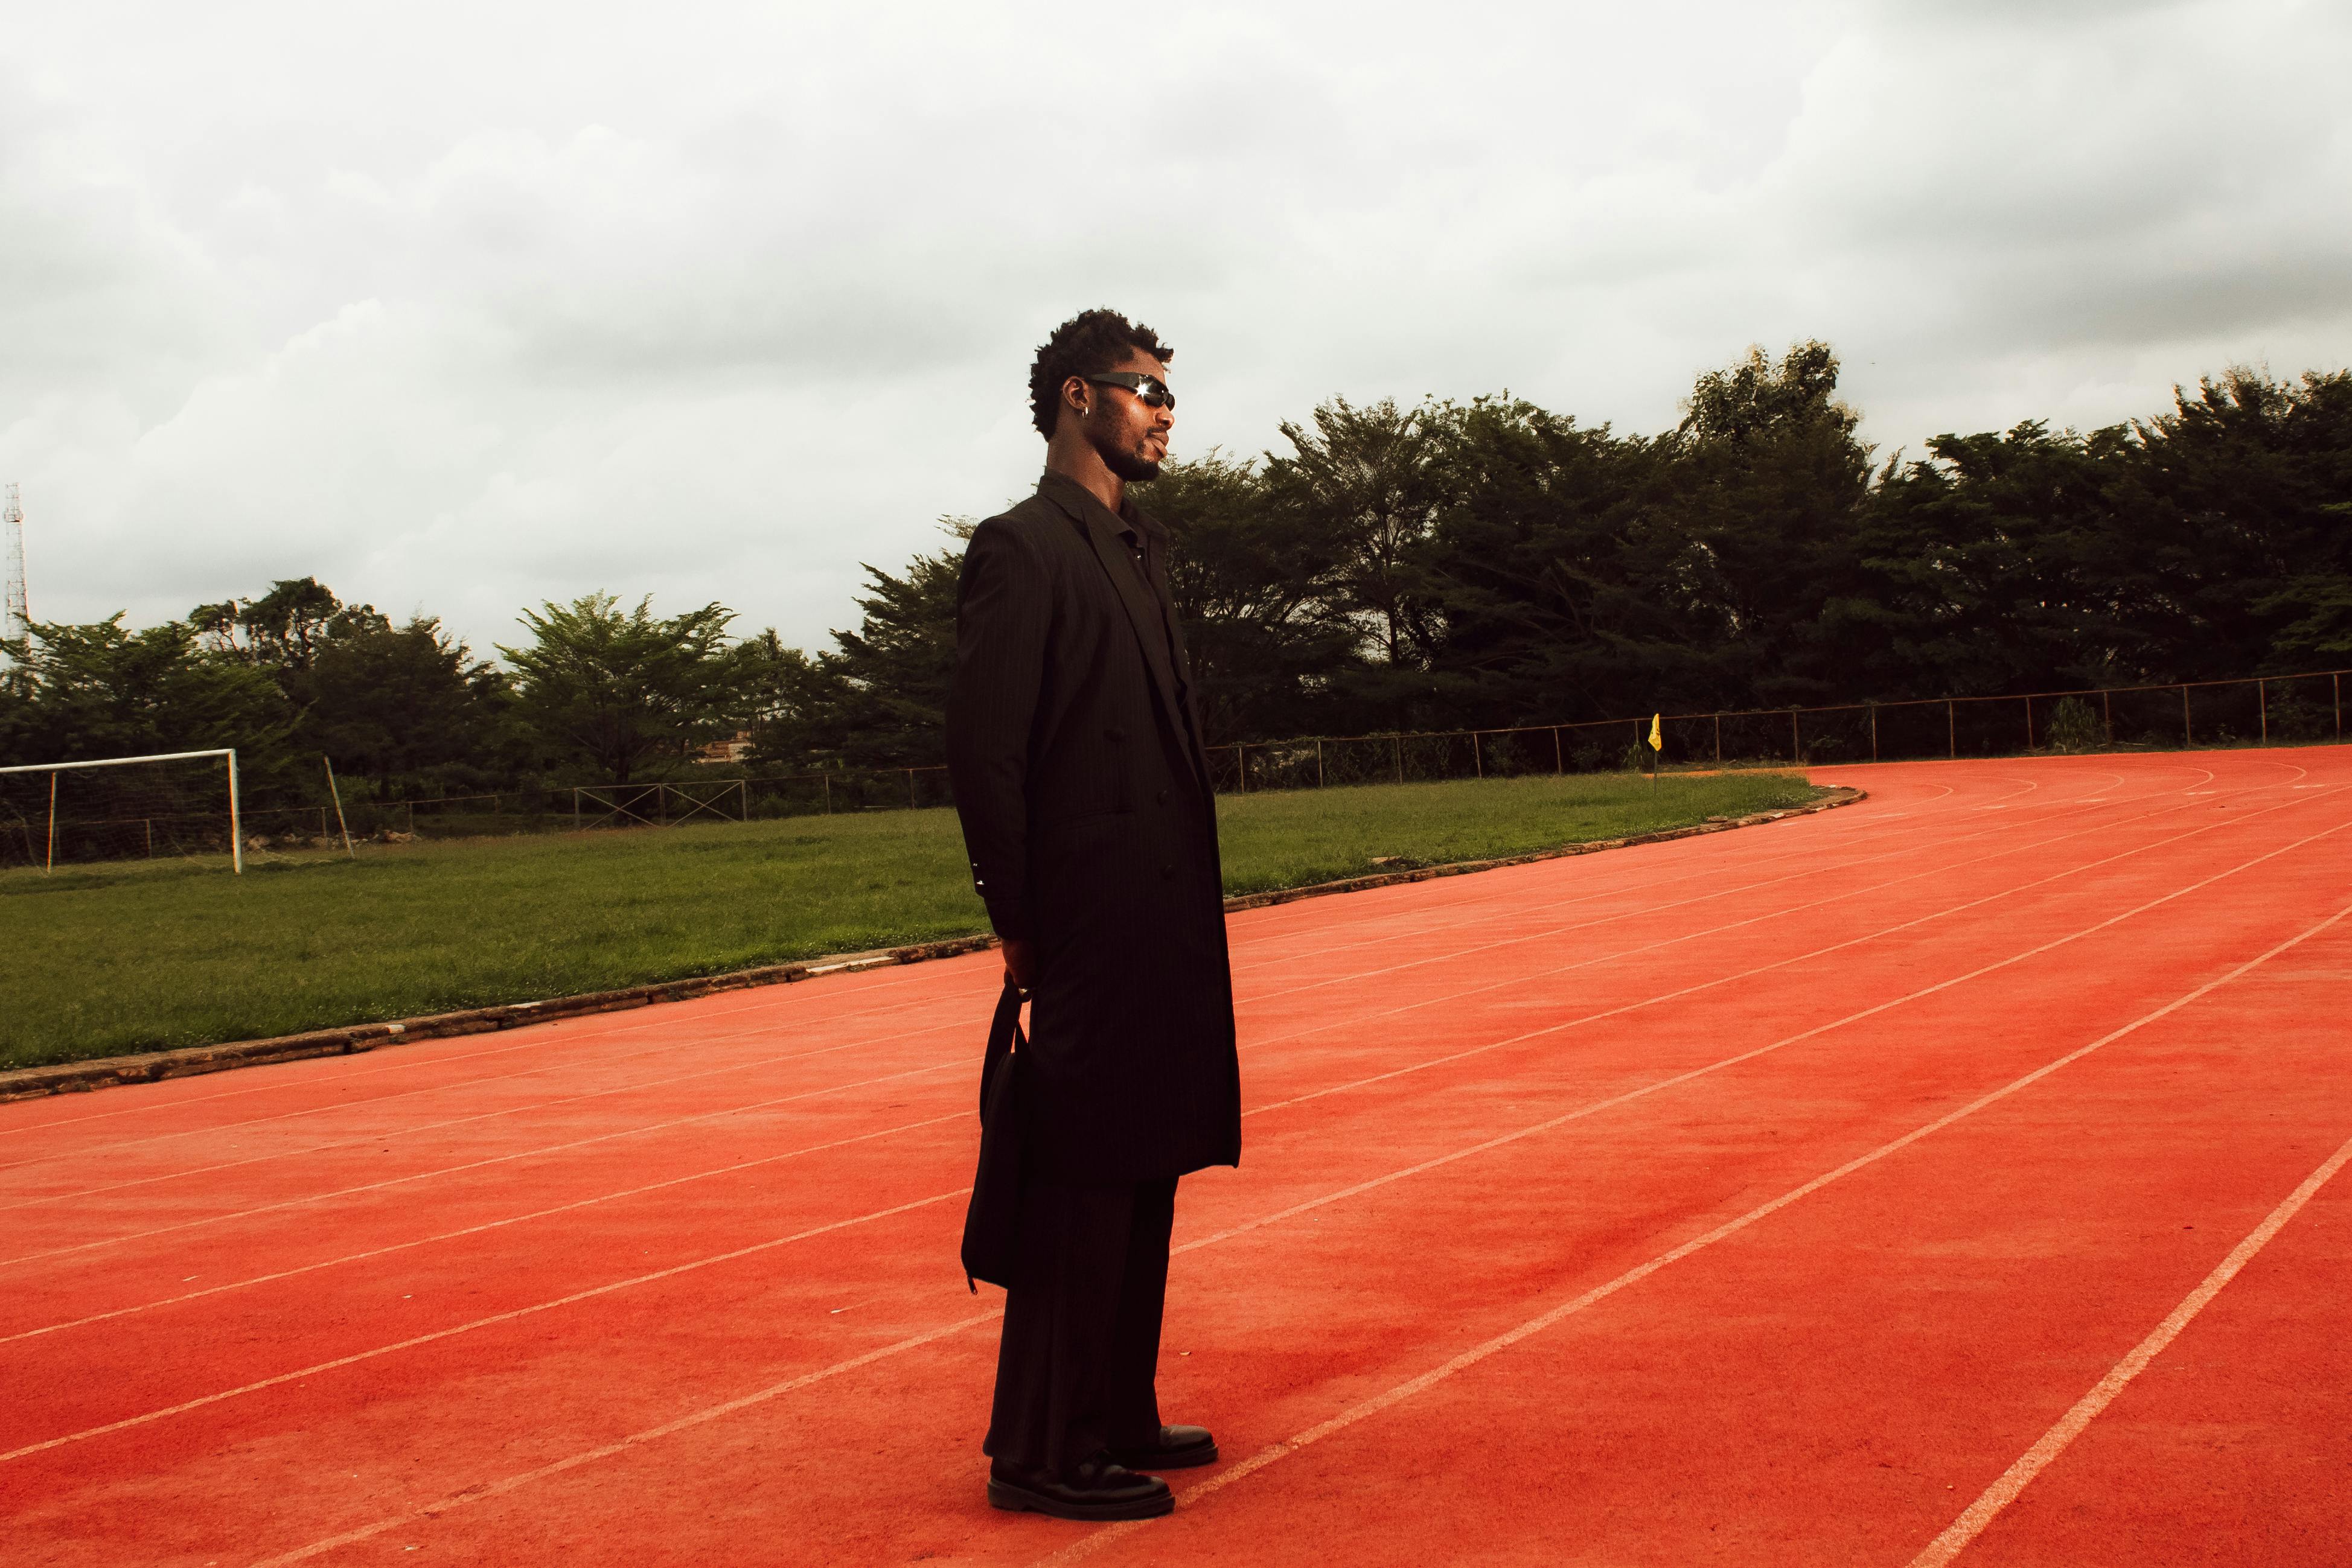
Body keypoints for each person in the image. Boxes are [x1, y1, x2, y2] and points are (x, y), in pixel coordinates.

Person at [946, 309, 1242, 1522]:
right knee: (1081, 1176)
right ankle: (1039, 1449)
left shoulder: (1138, 548)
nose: (1165, 411)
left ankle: (1114, 1408)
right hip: (1082, 915)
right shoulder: (1022, 547)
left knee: (1149, 1159)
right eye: (1142, 390)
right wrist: (1020, 922)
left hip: (1160, 909)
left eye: (1171, 393)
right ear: (1078, 398)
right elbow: (987, 751)